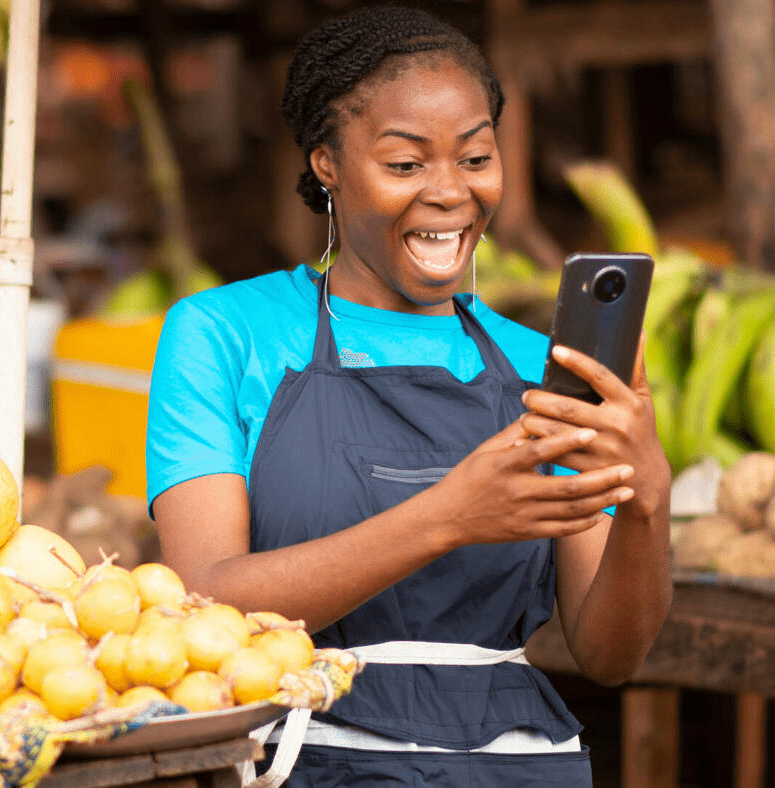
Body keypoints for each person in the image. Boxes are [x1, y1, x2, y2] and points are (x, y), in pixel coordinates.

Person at [145, 6, 673, 786]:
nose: (450, 193)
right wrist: (449, 517)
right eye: (405, 165)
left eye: (475, 158)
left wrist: (646, 505)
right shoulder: (226, 333)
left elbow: (609, 654)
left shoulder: (540, 366)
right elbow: (204, 603)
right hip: (308, 760)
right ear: (326, 162)